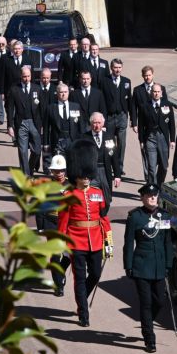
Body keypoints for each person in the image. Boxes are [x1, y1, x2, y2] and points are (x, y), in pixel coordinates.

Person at [58, 139, 113, 327]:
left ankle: (82, 298)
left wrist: (109, 241)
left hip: (96, 240)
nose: (87, 178)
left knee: (96, 274)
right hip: (76, 241)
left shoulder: (97, 192)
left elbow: (103, 218)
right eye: (83, 176)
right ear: (77, 175)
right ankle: (83, 311)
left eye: (88, 175)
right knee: (79, 277)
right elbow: (63, 221)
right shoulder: (69, 196)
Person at [123, 183, 174, 353]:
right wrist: (128, 266)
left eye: (155, 195)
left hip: (159, 266)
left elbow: (168, 242)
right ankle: (149, 338)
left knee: (159, 300)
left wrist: (169, 263)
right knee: (146, 303)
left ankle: (147, 321)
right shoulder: (135, 217)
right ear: (142, 198)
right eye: (149, 196)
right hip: (142, 266)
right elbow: (129, 243)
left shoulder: (164, 216)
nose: (153, 198)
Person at [35, 154, 71, 297]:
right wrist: (40, 227)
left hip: (67, 223)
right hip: (51, 223)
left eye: (62, 170)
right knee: (55, 255)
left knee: (69, 255)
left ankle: (60, 271)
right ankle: (58, 285)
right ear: (52, 172)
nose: (59, 173)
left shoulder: (72, 185)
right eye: (56, 171)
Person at [132, 65, 168, 180]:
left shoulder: (161, 88)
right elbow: (133, 107)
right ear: (142, 76)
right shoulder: (137, 90)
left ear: (153, 75)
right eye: (145, 75)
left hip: (159, 130)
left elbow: (165, 106)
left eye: (149, 75)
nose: (147, 77)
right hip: (145, 128)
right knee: (146, 154)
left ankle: (156, 178)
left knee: (162, 160)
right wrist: (134, 123)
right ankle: (149, 179)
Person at [6, 67, 43, 176]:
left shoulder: (37, 89)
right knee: (22, 152)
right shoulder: (14, 89)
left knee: (36, 151)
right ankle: (26, 177)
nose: (26, 79)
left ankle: (29, 170)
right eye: (24, 76)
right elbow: (10, 109)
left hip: (34, 123)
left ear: (31, 76)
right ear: (21, 76)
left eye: (28, 76)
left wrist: (43, 125)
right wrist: (10, 126)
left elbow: (42, 108)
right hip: (21, 123)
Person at [83, 112, 121, 214]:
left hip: (105, 171)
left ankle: (103, 215)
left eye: (99, 122)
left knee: (107, 198)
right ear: (91, 124)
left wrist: (117, 175)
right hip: (92, 173)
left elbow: (114, 157)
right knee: (91, 196)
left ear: (103, 123)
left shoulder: (109, 137)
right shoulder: (84, 138)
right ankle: (94, 216)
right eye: (94, 123)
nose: (97, 125)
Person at [101, 58, 132, 174]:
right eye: (115, 67)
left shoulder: (126, 81)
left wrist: (133, 119)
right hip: (109, 117)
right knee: (109, 143)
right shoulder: (104, 81)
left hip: (122, 116)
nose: (117, 70)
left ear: (122, 68)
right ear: (111, 68)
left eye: (119, 67)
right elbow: (101, 100)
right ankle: (109, 165)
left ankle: (119, 167)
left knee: (122, 143)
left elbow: (130, 100)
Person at [141, 83, 175, 185]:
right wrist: (141, 141)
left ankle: (159, 185)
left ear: (161, 93)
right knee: (151, 167)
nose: (156, 94)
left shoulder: (167, 105)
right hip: (150, 138)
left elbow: (172, 124)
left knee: (164, 166)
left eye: (158, 92)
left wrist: (172, 140)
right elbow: (141, 125)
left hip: (163, 138)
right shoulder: (145, 106)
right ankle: (152, 188)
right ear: (151, 93)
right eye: (154, 92)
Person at [43, 83, 82, 159]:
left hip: (72, 140)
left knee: (72, 163)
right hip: (57, 141)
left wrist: (80, 142)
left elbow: (80, 126)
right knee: (59, 164)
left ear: (68, 93)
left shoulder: (76, 106)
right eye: (61, 92)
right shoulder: (50, 108)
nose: (63, 94)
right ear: (57, 93)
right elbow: (46, 128)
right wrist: (45, 143)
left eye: (65, 92)